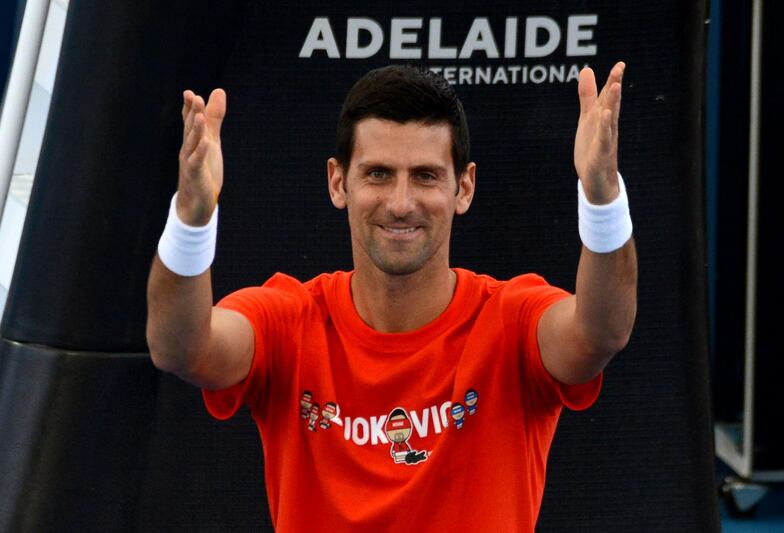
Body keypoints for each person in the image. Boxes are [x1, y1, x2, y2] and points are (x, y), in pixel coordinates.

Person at [146, 63, 637, 531]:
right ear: (338, 182)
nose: (401, 204)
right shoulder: (287, 320)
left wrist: (602, 197)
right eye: (378, 174)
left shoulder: (511, 320)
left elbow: (600, 334)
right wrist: (192, 217)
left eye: (425, 175)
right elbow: (181, 348)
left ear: (463, 187)